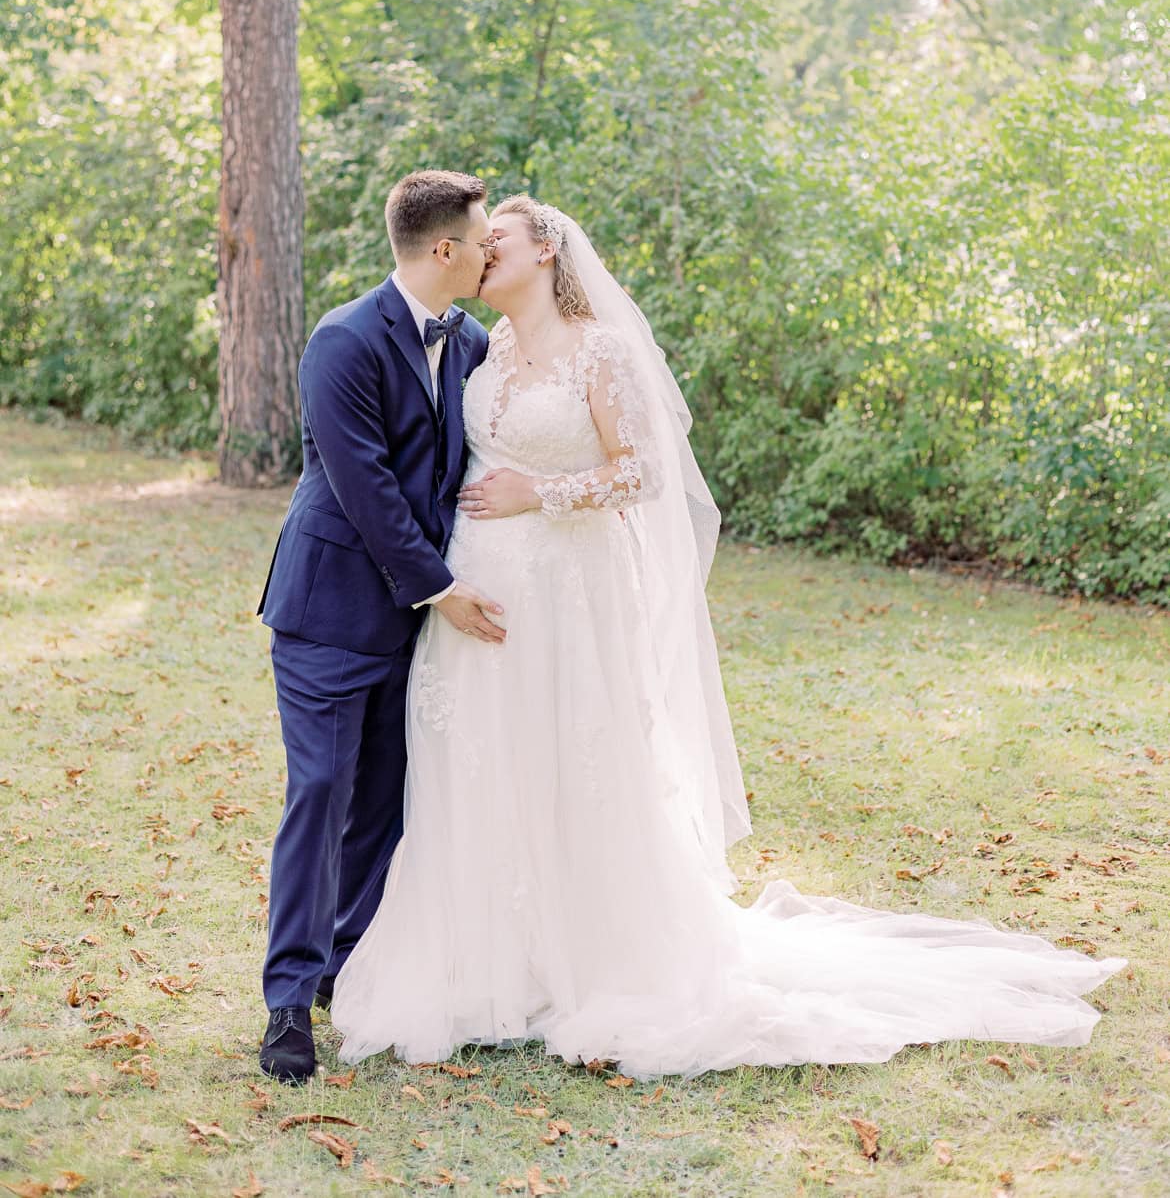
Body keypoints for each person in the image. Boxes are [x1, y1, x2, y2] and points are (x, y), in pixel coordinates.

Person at [331, 195, 1124, 1078]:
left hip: (567, 593)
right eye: (478, 244)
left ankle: (585, 958)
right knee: (482, 760)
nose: (482, 256)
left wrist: (540, 493)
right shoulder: (487, 346)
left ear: (546, 251)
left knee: (574, 760)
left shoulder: (601, 350)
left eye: (498, 242)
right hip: (478, 592)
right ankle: (489, 962)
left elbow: (642, 471)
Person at [256, 169, 504, 1084]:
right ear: (445, 249)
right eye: (481, 239)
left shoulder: (474, 340)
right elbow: (365, 488)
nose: (488, 252)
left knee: (386, 801)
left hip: (415, 628)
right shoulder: (342, 340)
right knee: (320, 792)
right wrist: (442, 587)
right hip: (328, 610)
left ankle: (345, 965)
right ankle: (286, 1000)